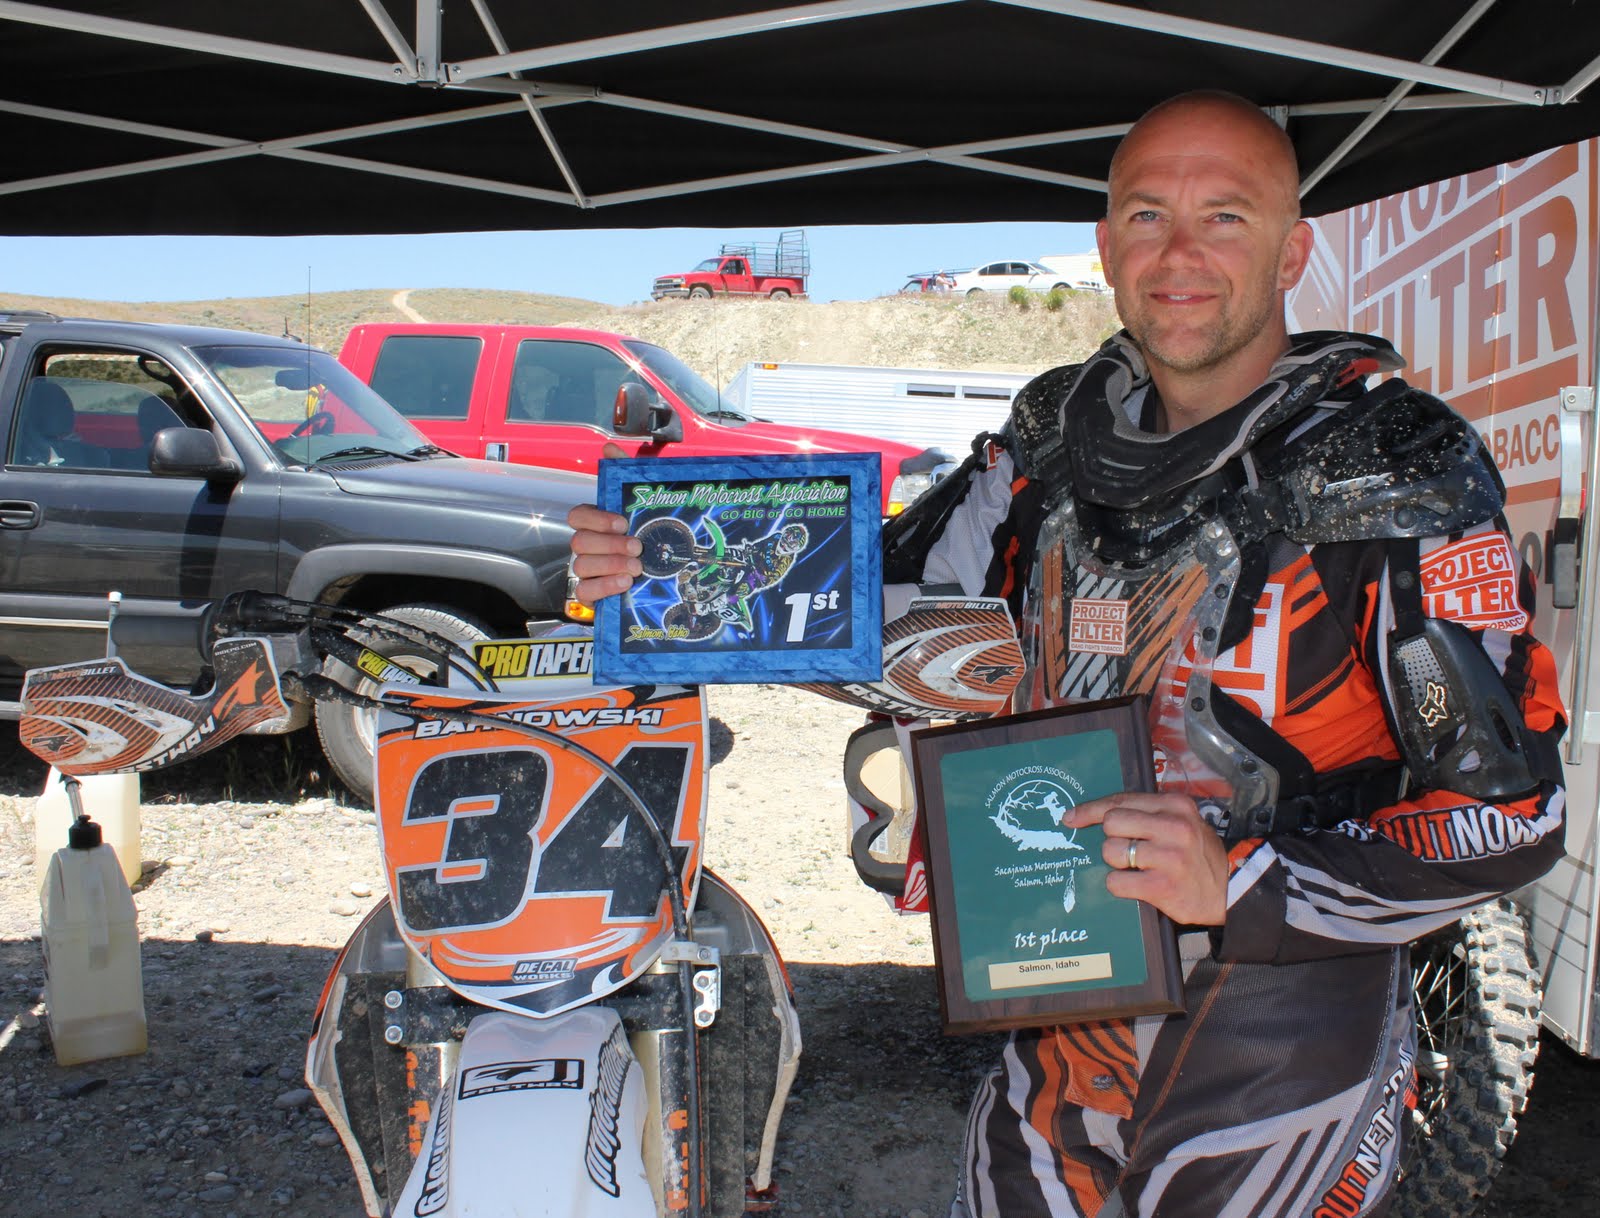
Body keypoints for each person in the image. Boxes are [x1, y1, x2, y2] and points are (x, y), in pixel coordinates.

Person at [568, 91, 1567, 1218]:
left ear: (1293, 252)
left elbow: (1510, 815)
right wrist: (662, 578)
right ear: (1103, 246)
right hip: (1044, 1014)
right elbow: (875, 614)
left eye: (1224, 218)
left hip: (1282, 1036)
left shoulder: (1389, 468)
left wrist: (1241, 884)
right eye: (1146, 216)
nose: (1179, 254)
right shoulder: (1045, 448)